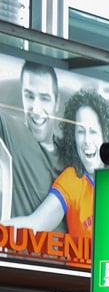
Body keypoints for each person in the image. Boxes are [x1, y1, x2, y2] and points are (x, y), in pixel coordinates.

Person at [9, 88, 109, 237]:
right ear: (73, 137)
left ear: (105, 135)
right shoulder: (72, 180)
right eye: (80, 132)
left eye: (93, 131)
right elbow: (35, 224)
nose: (87, 140)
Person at [0, 61, 63, 224]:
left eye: (45, 98)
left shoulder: (70, 152)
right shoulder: (12, 131)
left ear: (57, 103)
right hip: (19, 239)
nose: (36, 109)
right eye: (29, 96)